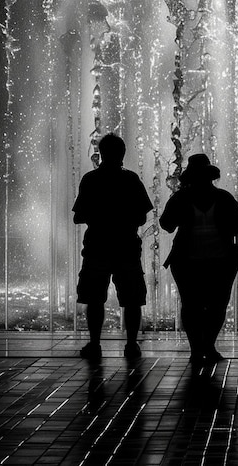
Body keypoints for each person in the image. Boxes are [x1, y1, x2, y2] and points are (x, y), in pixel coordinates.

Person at [73, 133, 153, 361]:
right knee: (132, 298)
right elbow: (142, 217)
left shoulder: (91, 180)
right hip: (126, 246)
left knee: (94, 297)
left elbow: (78, 217)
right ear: (122, 154)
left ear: (101, 153)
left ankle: (95, 344)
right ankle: (131, 345)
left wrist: (99, 217)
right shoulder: (131, 180)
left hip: (97, 246)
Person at [160, 154, 238, 365]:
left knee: (198, 306)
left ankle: (201, 347)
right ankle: (203, 346)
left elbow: (166, 224)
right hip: (214, 261)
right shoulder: (222, 198)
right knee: (209, 305)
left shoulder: (183, 198)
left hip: (196, 261)